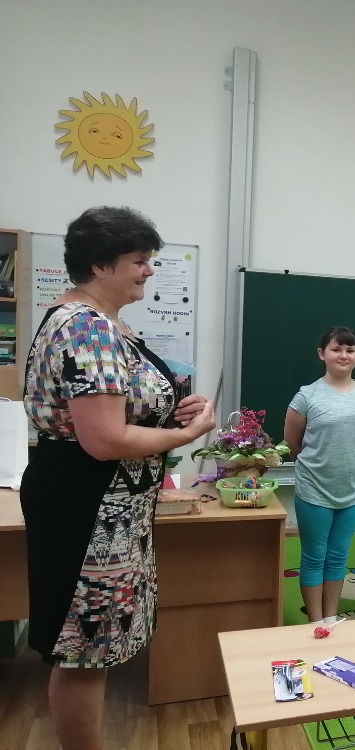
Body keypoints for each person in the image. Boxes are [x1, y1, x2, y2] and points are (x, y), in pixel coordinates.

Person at [19, 206, 217, 750]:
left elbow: (117, 415)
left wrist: (173, 411)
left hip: (107, 504)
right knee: (83, 649)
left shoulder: (102, 323)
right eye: (139, 260)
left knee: (91, 647)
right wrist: (187, 433)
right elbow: (104, 440)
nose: (149, 270)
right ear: (100, 265)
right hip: (90, 506)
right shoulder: (87, 327)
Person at [284, 326, 355, 623]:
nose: (343, 355)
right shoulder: (306, 396)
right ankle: (315, 621)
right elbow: (292, 444)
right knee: (314, 556)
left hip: (352, 491)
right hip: (314, 490)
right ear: (322, 353)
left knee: (338, 556)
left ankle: (330, 618)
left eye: (350, 350)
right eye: (336, 349)